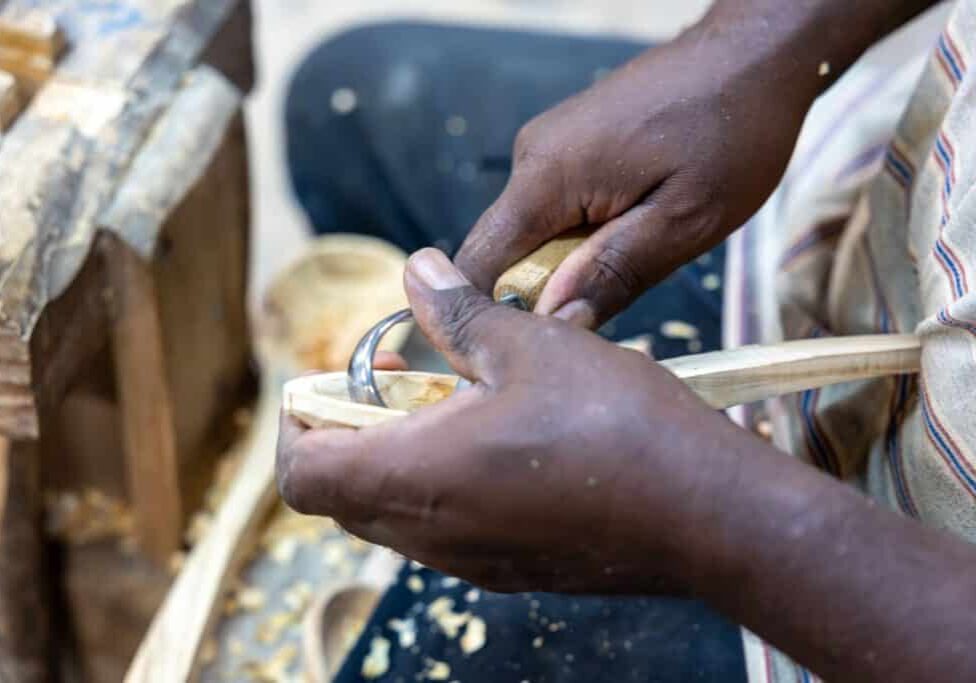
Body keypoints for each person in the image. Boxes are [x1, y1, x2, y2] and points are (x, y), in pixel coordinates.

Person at [278, 0, 976, 680]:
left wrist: (708, 516)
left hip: (877, 593)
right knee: (345, 100)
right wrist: (759, 44)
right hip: (855, 219)